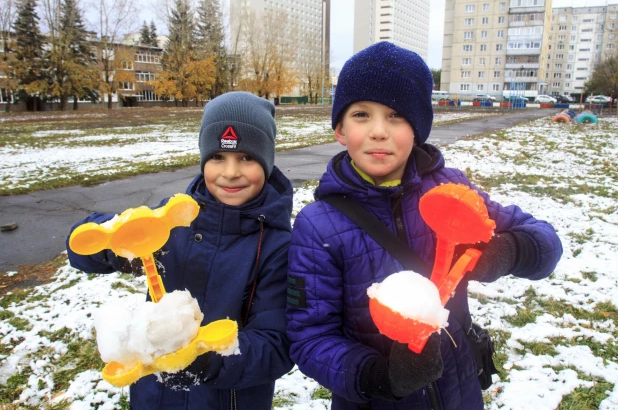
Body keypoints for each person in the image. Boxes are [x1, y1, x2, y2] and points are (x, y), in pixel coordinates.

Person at [286, 42, 563, 410]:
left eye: (396, 116)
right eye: (361, 115)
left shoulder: (452, 191)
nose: (379, 132)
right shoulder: (317, 227)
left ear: (418, 128)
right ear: (339, 128)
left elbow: (545, 242)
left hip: (457, 391)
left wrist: (507, 251)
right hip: (374, 401)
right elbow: (310, 337)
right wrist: (379, 377)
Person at [67, 91, 294, 409]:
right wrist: (115, 245)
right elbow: (81, 251)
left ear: (267, 161)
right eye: (218, 157)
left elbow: (276, 345)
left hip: (226, 400)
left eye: (246, 157)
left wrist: (206, 361)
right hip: (154, 397)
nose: (230, 172)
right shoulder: (171, 221)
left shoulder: (276, 246)